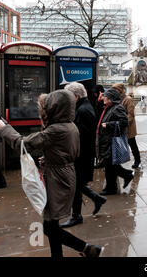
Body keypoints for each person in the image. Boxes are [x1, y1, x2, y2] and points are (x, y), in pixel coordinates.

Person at [0, 90, 103, 257]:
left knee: (49, 226)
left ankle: (88, 249)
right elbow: (67, 151)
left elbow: (23, 144)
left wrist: (3, 128)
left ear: (54, 108)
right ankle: (84, 250)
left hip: (58, 179)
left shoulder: (56, 129)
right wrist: (48, 158)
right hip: (63, 174)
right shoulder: (70, 125)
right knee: (51, 225)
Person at [60, 83, 107, 228]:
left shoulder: (83, 110)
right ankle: (97, 199)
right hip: (82, 154)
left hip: (82, 155)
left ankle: (77, 216)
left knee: (75, 185)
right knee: (78, 183)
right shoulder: (82, 107)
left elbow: (82, 135)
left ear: (76, 96)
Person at [97, 88, 134, 195]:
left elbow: (124, 122)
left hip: (112, 141)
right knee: (110, 165)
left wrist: (108, 125)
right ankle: (121, 179)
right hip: (108, 140)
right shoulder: (110, 107)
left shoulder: (117, 108)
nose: (104, 98)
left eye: (106, 97)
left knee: (110, 165)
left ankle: (112, 187)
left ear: (111, 98)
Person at [112, 83, 141, 169]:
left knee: (132, 144)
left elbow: (131, 114)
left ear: (120, 90)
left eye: (115, 89)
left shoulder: (128, 99)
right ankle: (117, 162)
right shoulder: (116, 99)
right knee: (118, 145)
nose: (114, 91)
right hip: (119, 127)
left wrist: (123, 123)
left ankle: (137, 160)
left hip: (128, 127)